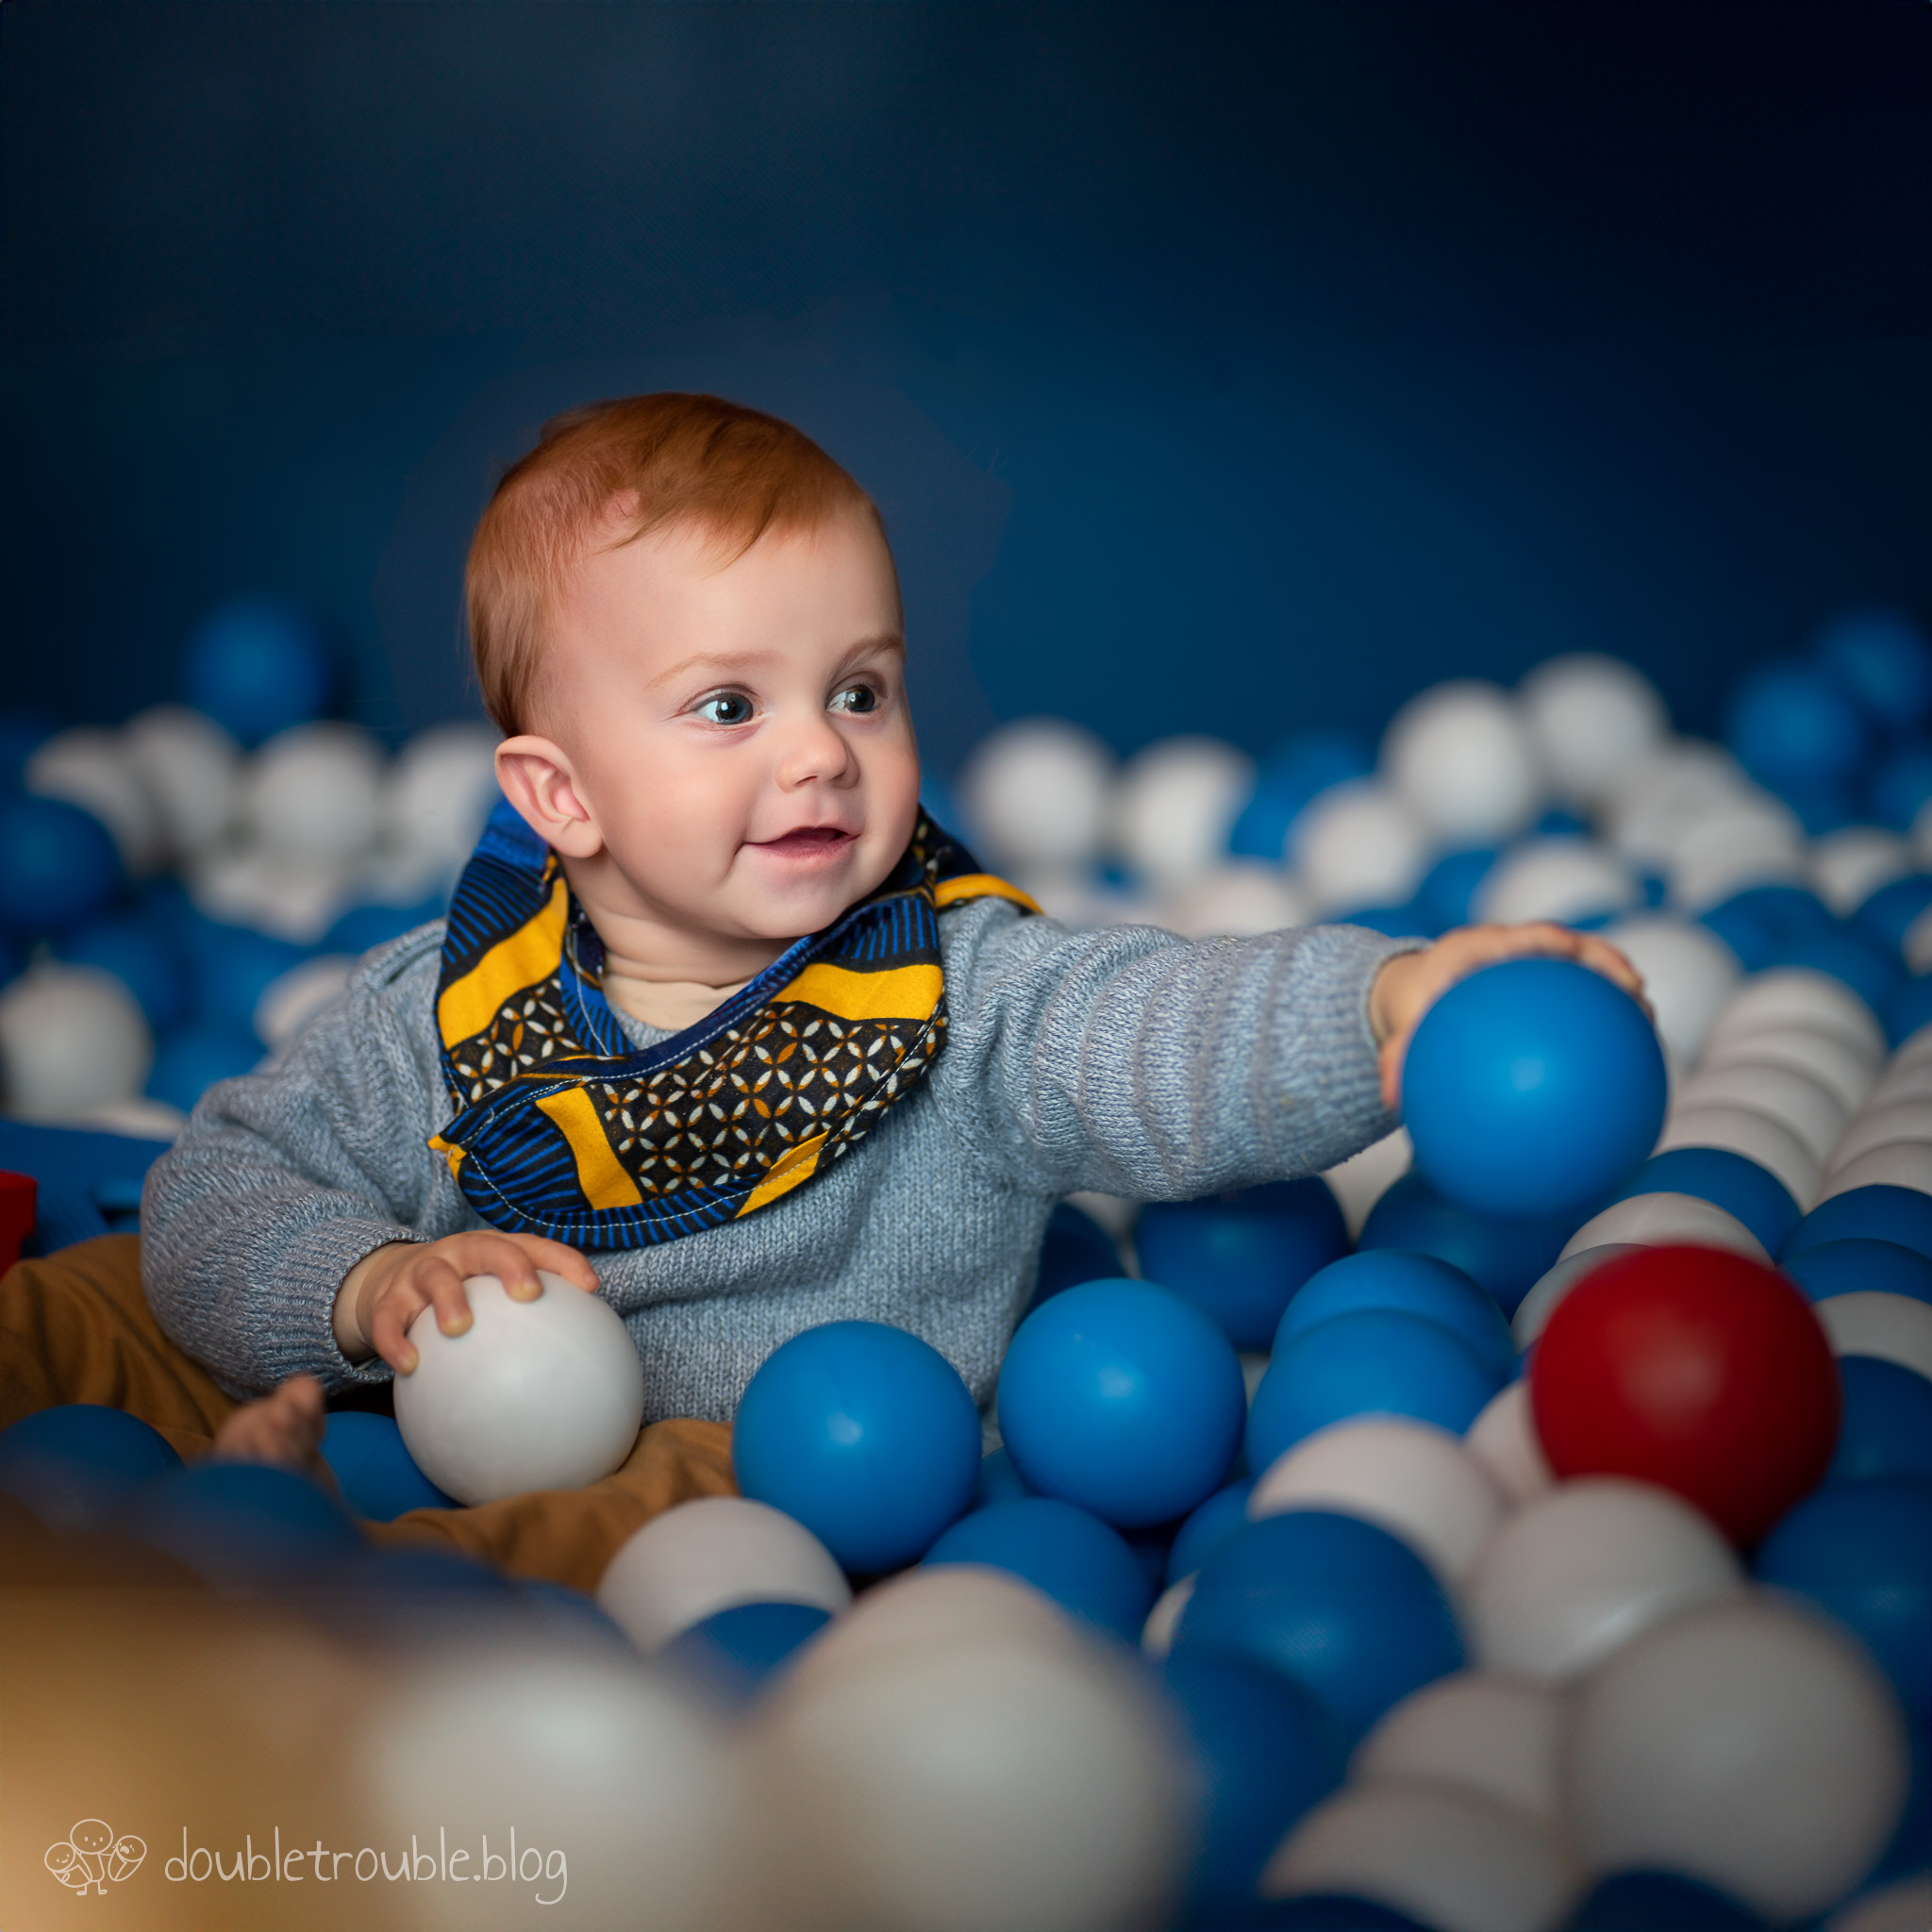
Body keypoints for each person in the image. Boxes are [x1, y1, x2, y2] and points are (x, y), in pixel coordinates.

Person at [4, 393, 1638, 1585]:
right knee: (101, 1298)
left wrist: (1384, 1004)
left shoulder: (949, 990)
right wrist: (366, 1290)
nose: (819, 752)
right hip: (401, 1369)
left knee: (639, 1535)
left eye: (860, 689)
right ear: (559, 799)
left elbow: (1151, 1027)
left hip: (762, 1445)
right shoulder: (443, 1007)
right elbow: (228, 1176)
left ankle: (299, 1566)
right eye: (728, 706)